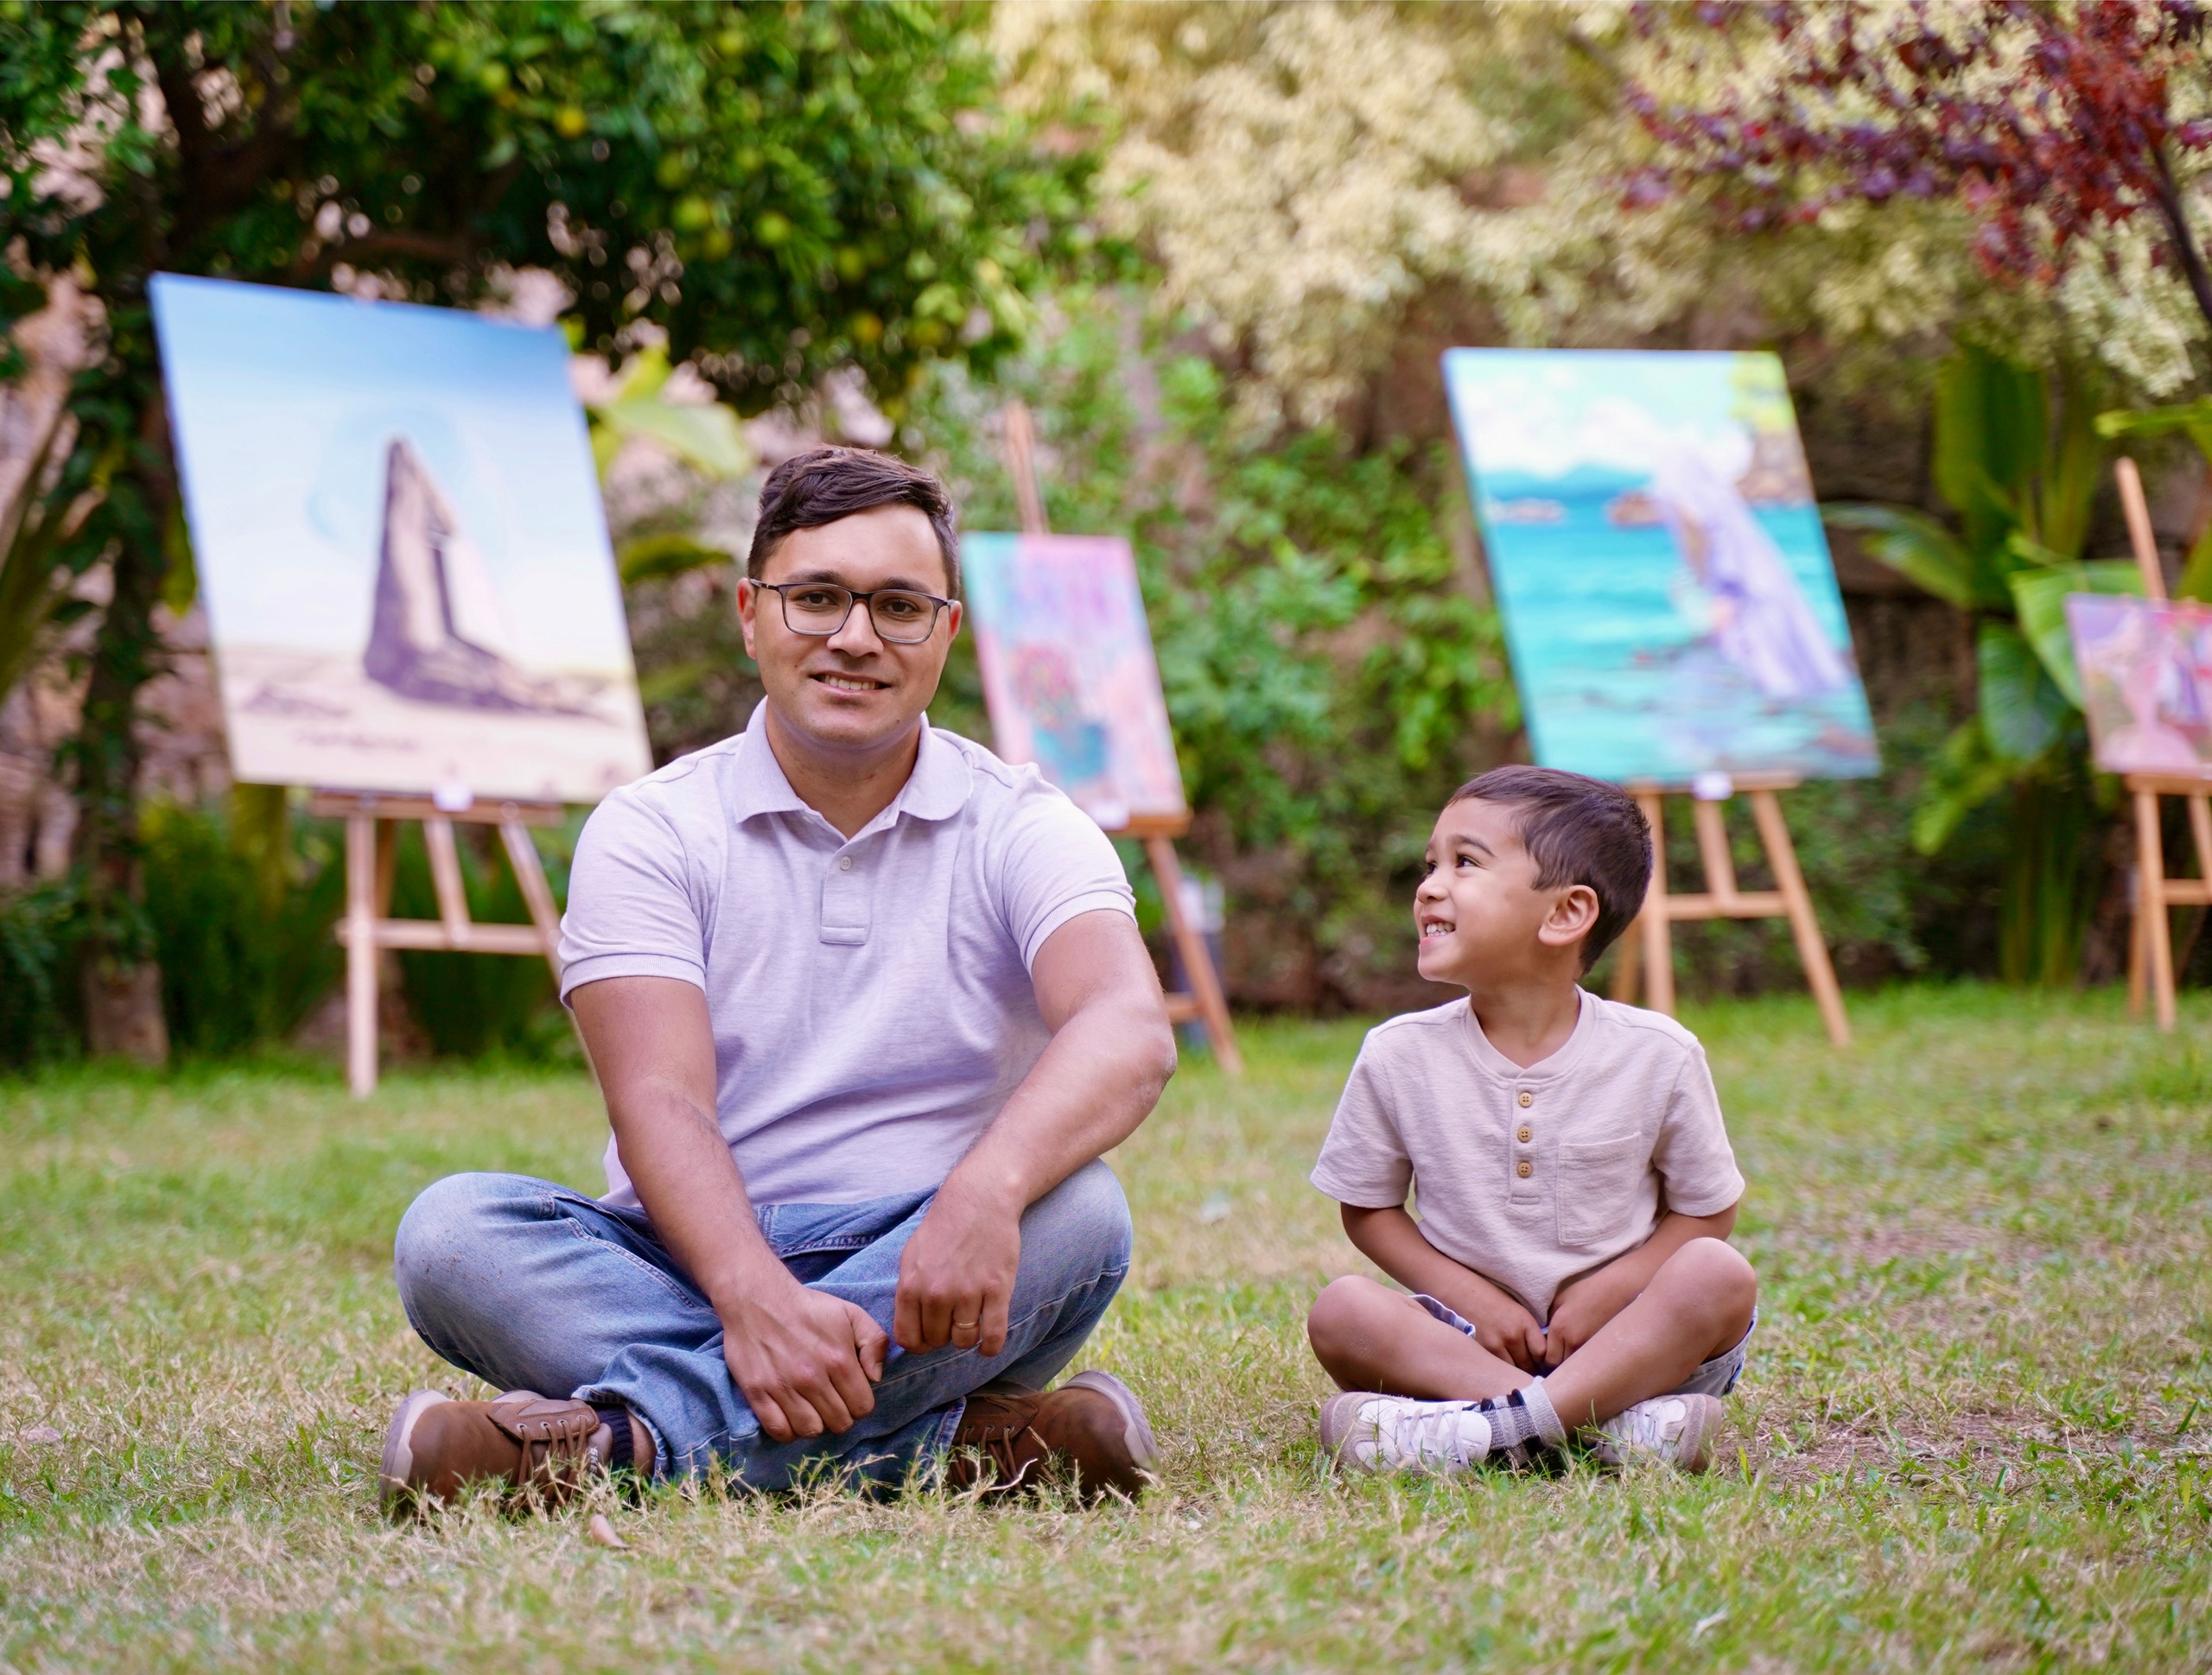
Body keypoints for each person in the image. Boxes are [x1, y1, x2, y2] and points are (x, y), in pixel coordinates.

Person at [378, 447, 1179, 1513]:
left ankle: (607, 1451)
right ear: (751, 613)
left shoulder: (1024, 823)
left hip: (930, 1253)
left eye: (898, 605)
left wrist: (983, 1194)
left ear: (945, 631)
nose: (854, 637)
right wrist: (751, 1296)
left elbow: (1127, 1026)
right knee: (451, 1234)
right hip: (683, 1255)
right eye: (817, 599)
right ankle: (961, 1441)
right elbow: (660, 1098)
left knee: (1080, 1213)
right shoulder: (651, 827)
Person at [1303, 766, 1757, 1475]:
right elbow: (1368, 1208)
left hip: (1631, 1343)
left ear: (1565, 914)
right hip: (1468, 1346)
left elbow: (1707, 1213)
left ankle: (1472, 1435)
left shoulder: (1657, 1053)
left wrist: (1609, 1290)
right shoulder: (1398, 1053)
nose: (1428, 885)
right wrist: (1474, 1300)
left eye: (1465, 862)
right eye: (1431, 863)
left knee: (1718, 1275)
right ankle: (1608, 1433)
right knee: (1341, 1311)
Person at [1650, 445, 1849, 704]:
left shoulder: (1682, 487)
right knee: (1785, 662)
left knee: (1760, 668)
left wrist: (1697, 579)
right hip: (1759, 583)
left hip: (1735, 589)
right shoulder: (1722, 504)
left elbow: (1694, 526)